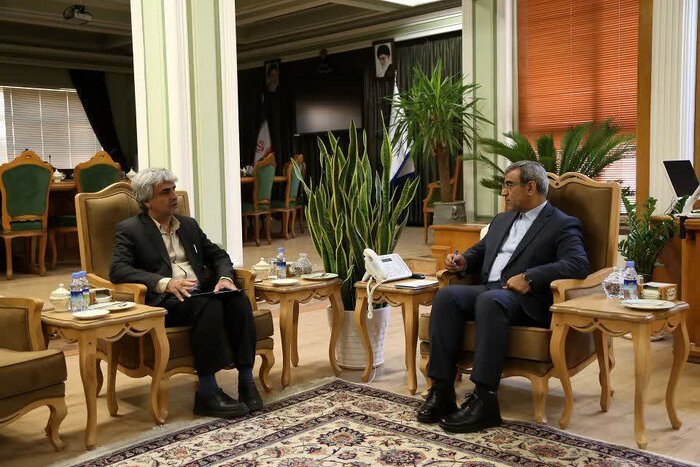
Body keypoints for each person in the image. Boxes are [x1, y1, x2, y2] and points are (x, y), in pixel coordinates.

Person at [417, 160, 589, 433]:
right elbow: (481, 250)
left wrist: (530, 277)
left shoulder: (562, 224)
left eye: (509, 185)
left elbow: (577, 264)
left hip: (526, 300)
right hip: (491, 290)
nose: (503, 192)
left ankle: (485, 400)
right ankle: (442, 390)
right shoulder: (503, 219)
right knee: (448, 296)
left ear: (530, 187)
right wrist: (463, 261)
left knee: (490, 300)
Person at [110, 168, 262, 419]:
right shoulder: (131, 229)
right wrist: (165, 282)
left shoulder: (188, 225)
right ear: (147, 201)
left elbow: (218, 255)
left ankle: (246, 381)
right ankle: (207, 393)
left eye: (173, 189)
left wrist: (225, 278)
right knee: (208, 306)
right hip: (167, 302)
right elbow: (118, 270)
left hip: (201, 295)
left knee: (237, 298)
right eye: (165, 192)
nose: (174, 196)